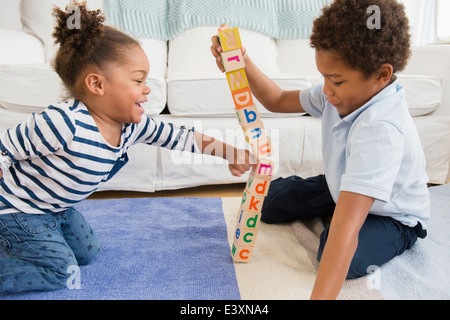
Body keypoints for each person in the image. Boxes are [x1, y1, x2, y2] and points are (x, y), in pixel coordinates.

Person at [0, 2, 253, 293]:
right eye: (138, 80)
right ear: (97, 84)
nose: (147, 88)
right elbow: (6, 147)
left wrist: (229, 152)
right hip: (16, 209)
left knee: (88, 252)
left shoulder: (133, 125)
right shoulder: (63, 122)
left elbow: (182, 136)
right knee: (62, 271)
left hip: (56, 208)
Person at [211, 0, 429, 300]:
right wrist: (242, 62)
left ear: (381, 75)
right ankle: (337, 199)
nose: (326, 90)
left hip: (392, 215)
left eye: (336, 80)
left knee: (337, 250)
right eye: (324, 77)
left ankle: (346, 207)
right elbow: (276, 100)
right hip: (339, 184)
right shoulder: (339, 94)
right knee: (269, 203)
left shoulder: (381, 130)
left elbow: (345, 230)